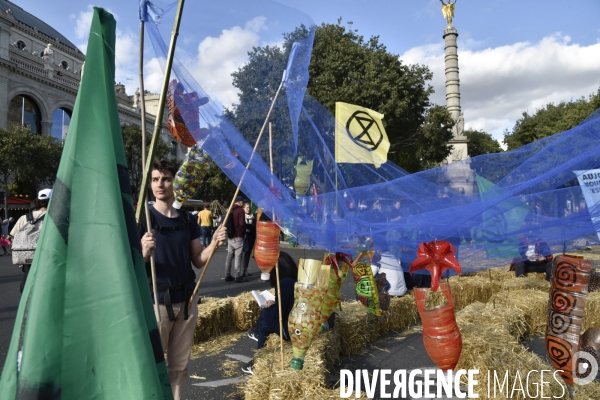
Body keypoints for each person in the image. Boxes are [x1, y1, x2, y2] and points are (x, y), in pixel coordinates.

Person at [140, 160, 227, 400]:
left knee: (179, 368)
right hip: (156, 301)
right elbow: (130, 265)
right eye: (156, 179)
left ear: (174, 183)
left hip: (187, 302)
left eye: (166, 179)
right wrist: (143, 253)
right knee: (152, 367)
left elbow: (198, 260)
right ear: (150, 183)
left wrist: (215, 244)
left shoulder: (188, 220)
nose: (161, 184)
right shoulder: (143, 219)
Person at [242, 251, 298, 374]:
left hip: (289, 330)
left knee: (266, 314)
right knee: (265, 323)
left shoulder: (283, 284)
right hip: (300, 326)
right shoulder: (296, 279)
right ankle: (256, 355)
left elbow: (279, 315)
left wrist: (271, 306)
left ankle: (257, 361)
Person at [10, 189, 52, 293]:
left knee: (27, 281)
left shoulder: (24, 217)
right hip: (49, 257)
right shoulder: (55, 218)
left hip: (28, 257)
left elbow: (12, 236)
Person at [224, 196, 247, 282]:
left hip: (230, 235)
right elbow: (242, 224)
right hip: (238, 235)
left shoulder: (230, 209)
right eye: (242, 202)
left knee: (229, 256)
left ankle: (227, 274)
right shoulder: (240, 210)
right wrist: (244, 232)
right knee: (238, 256)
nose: (243, 203)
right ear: (239, 202)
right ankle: (237, 275)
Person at [241, 202, 256, 277]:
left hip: (251, 237)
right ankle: (242, 271)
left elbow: (254, 227)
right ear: (243, 208)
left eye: (249, 207)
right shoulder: (242, 216)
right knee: (244, 254)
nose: (248, 209)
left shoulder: (253, 216)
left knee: (248, 254)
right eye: (246, 207)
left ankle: (245, 269)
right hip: (244, 237)